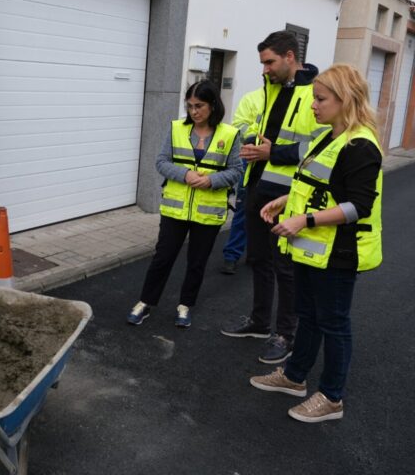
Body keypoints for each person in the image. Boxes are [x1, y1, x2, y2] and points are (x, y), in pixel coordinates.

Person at [249, 63, 382, 423]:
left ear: (345, 100)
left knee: (334, 323)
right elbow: (317, 185)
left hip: (339, 252)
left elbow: (358, 206)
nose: (313, 106)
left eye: (320, 99)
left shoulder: (360, 145)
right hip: (314, 249)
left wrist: (302, 220)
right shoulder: (331, 137)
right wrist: (284, 202)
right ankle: (294, 377)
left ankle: (332, 398)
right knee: (308, 316)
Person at [220, 31, 325, 364]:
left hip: (290, 194)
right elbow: (253, 131)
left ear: (290, 56)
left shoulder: (316, 94)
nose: (265, 69)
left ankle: (285, 334)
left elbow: (322, 147)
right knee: (259, 260)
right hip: (258, 187)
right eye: (263, 63)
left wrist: (273, 151)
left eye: (270, 62)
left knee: (287, 269)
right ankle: (260, 322)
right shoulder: (270, 90)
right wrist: (254, 142)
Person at [127, 80, 243, 328]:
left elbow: (236, 170)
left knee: (197, 262)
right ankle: (145, 302)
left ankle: (185, 305)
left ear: (213, 105)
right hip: (175, 209)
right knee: (163, 258)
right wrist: (185, 175)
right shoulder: (176, 128)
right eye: (189, 106)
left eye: (199, 106)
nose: (193, 111)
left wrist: (212, 180)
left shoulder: (230, 134)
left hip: (208, 212)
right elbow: (161, 162)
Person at [219, 88, 264, 275]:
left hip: (281, 161)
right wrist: (256, 141)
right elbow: (240, 124)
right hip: (252, 156)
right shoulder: (252, 98)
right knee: (245, 208)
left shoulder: (297, 98)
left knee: (273, 211)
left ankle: (258, 253)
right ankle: (232, 255)